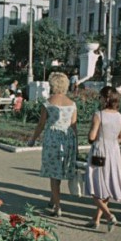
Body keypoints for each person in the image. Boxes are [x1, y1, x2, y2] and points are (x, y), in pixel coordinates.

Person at [27, 72, 77, 217]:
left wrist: (33, 139)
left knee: (53, 174)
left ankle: (57, 206)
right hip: (67, 140)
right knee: (59, 171)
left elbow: (41, 124)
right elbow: (74, 126)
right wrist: (76, 145)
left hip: (52, 139)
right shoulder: (72, 104)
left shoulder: (48, 103)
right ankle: (53, 198)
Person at [84, 86, 121, 231]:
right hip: (114, 152)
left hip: (99, 152)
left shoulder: (99, 115)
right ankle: (96, 219)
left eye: (101, 97)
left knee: (94, 186)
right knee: (107, 185)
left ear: (106, 99)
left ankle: (109, 216)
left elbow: (92, 136)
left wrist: (93, 137)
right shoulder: (119, 116)